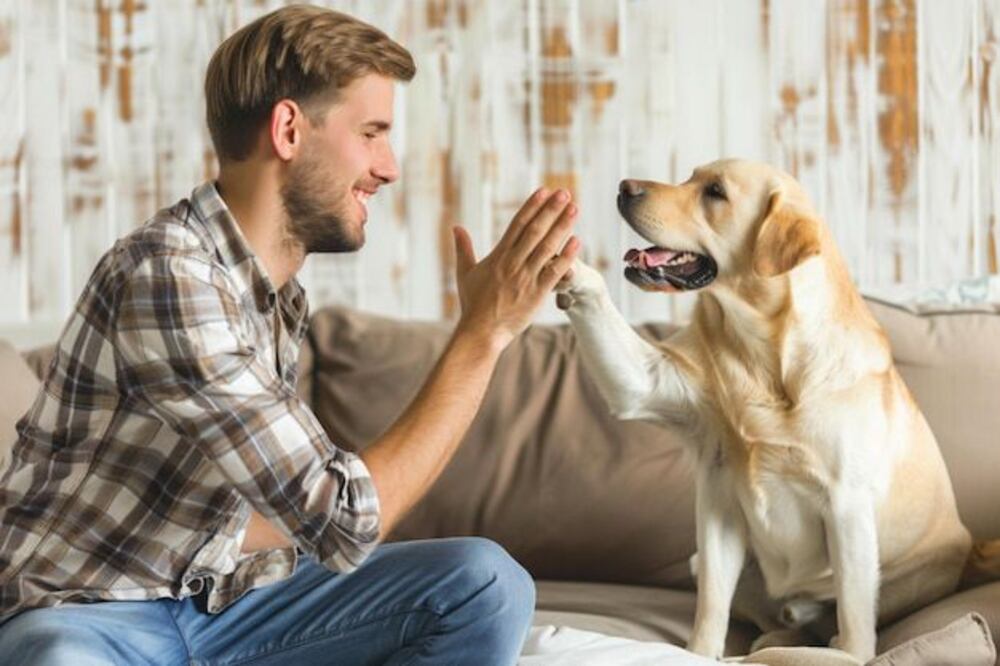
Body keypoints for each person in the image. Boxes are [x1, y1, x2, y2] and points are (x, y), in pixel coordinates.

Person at [0, 5, 579, 664]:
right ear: (288, 129)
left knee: (484, 586)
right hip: (93, 613)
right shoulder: (168, 274)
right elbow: (346, 521)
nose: (388, 167)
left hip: (227, 605)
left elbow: (287, 518)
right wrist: (484, 334)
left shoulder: (271, 295)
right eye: (372, 133)